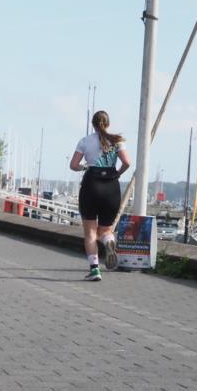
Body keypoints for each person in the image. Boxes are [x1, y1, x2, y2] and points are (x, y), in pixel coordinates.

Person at [69, 110, 131, 281]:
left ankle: (95, 269)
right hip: (111, 186)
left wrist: (85, 167)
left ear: (93, 124)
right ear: (108, 124)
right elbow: (127, 162)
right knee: (105, 229)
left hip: (91, 185)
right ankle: (108, 241)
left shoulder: (85, 141)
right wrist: (117, 173)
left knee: (90, 231)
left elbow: (73, 165)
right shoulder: (117, 141)